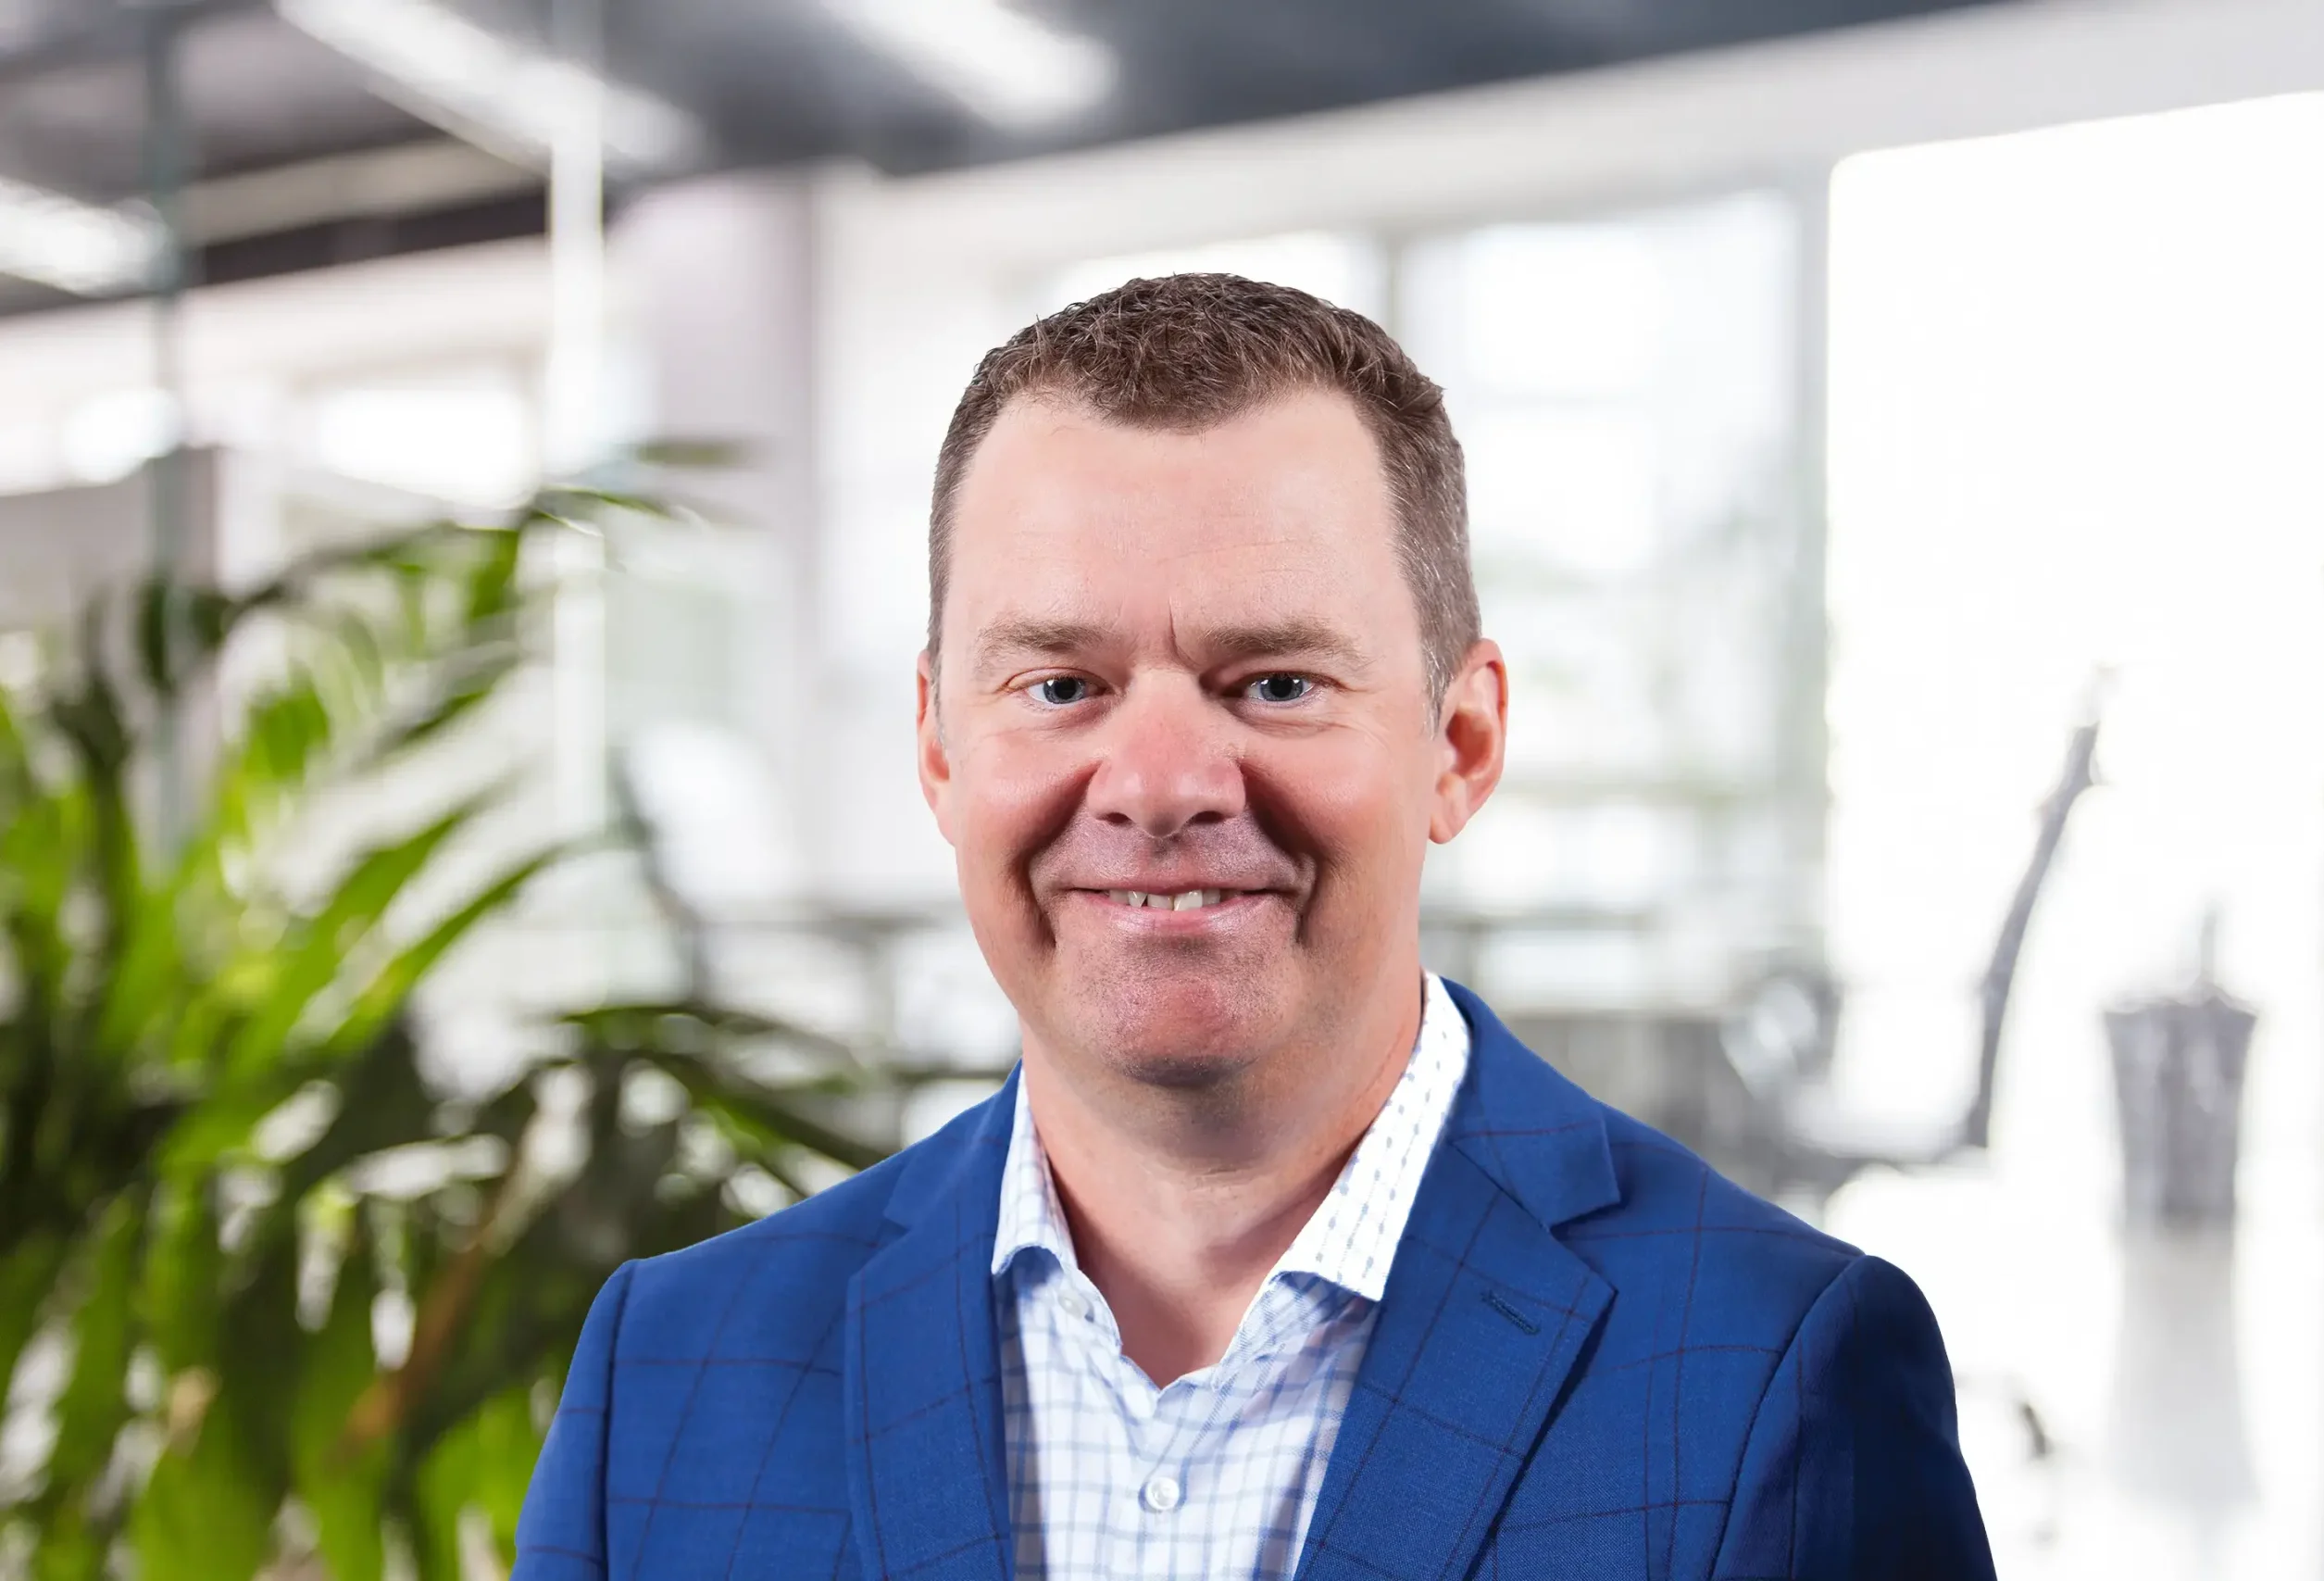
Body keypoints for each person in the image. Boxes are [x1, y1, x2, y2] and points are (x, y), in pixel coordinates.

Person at [513, 274, 1995, 1581]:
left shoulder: (1776, 1377)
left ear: (1460, 741)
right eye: (1058, 684)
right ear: (940, 749)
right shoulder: (672, 1372)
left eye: (1275, 681)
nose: (1158, 786)